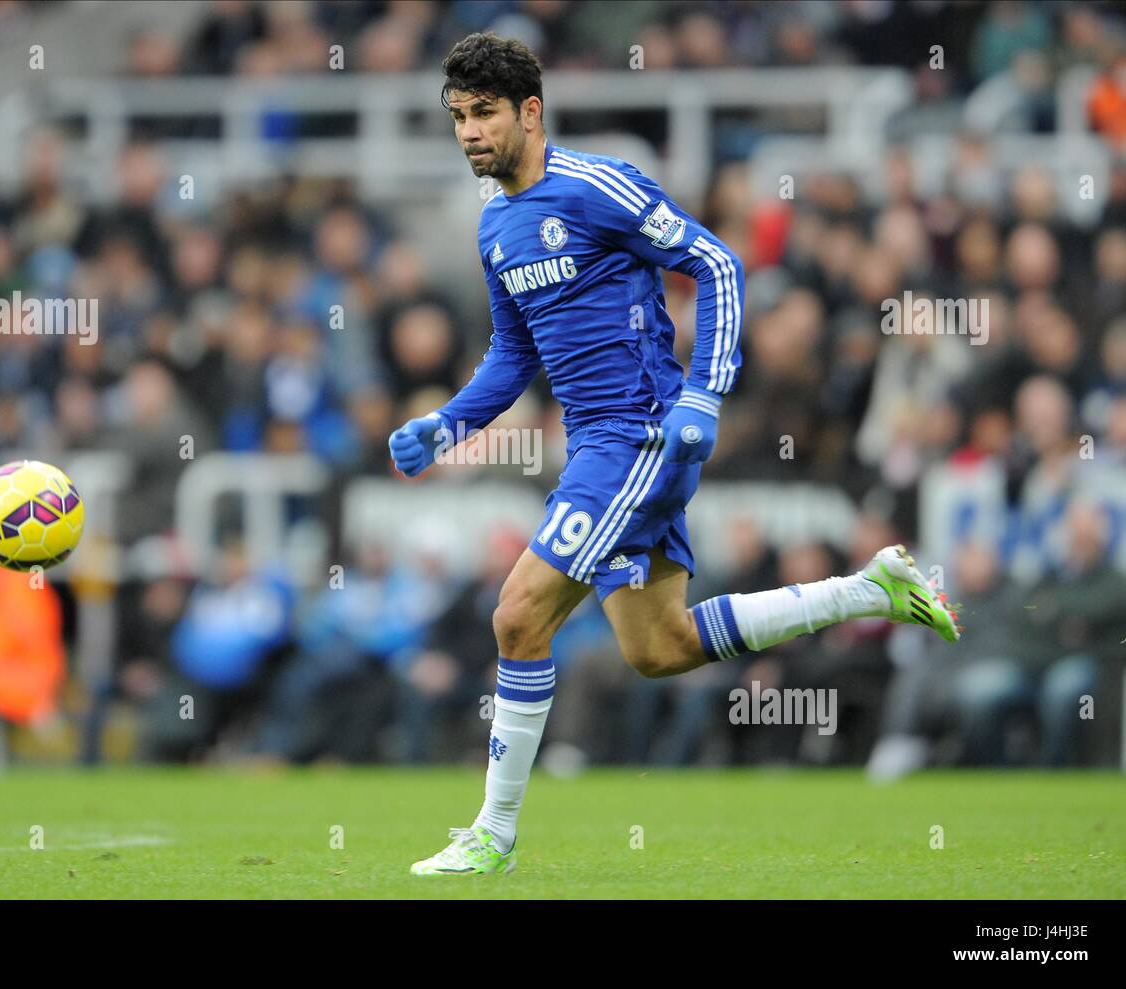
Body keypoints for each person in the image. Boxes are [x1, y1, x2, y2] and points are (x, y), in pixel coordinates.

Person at [388, 33, 961, 876]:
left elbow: (719, 264)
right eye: (458, 117)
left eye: (484, 113)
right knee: (661, 648)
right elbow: (513, 357)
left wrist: (702, 394)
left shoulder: (595, 188)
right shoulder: (495, 225)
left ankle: (493, 834)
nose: (469, 132)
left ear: (530, 112)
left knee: (516, 615)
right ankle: (869, 587)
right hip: (598, 441)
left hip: (641, 434)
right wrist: (447, 425)